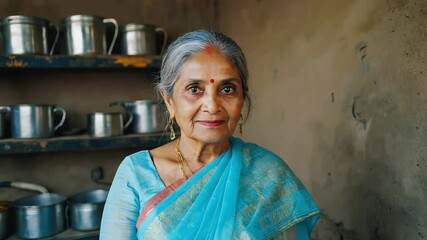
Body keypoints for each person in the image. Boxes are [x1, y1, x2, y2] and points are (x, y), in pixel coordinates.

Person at [100, 29, 320, 240]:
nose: (212, 106)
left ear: (243, 98)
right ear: (169, 101)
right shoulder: (135, 174)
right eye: (195, 89)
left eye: (227, 89)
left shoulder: (269, 175)